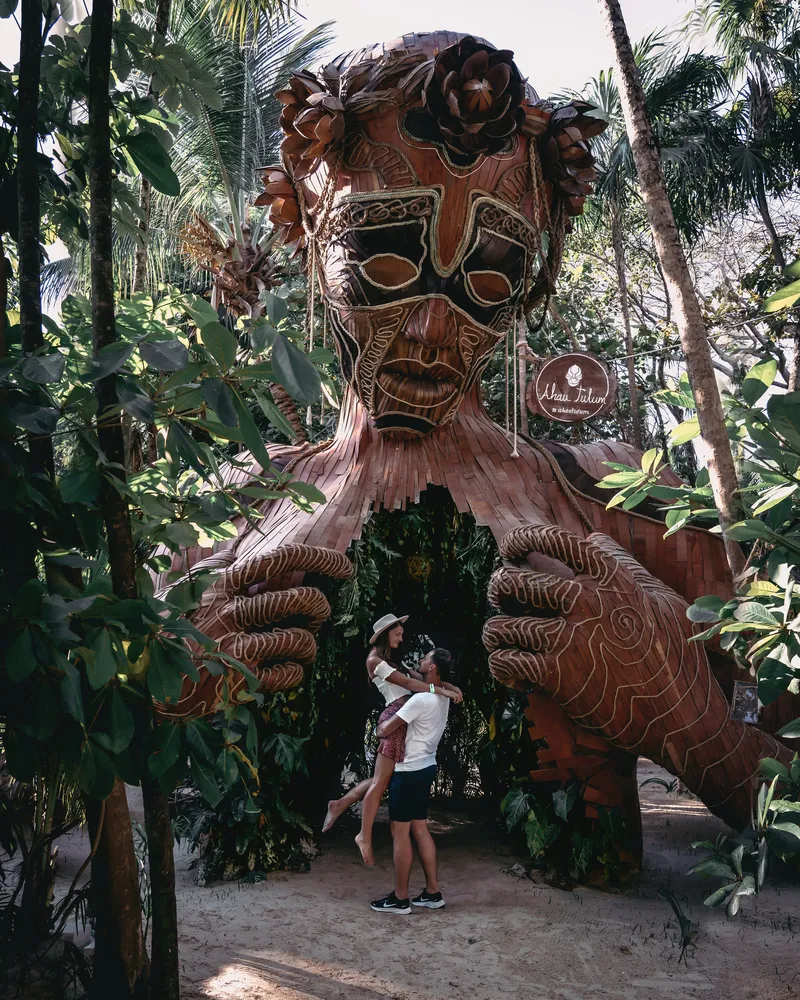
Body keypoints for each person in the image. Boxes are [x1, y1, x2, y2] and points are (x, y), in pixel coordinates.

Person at [323, 615, 462, 865]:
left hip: (402, 717)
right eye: (397, 633)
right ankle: (363, 836)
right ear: (386, 633)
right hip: (395, 717)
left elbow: (420, 680)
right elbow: (409, 683)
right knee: (379, 782)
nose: (401, 637)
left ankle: (339, 804)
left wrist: (449, 685)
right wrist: (442, 691)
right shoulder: (375, 662)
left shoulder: (390, 660)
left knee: (383, 780)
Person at [370, 647, 454, 914]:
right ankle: (432, 893)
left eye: (425, 659)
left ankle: (400, 898)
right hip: (427, 766)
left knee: (400, 832)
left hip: (408, 774)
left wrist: (378, 728)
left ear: (432, 667)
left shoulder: (419, 700)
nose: (420, 660)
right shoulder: (442, 698)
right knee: (420, 829)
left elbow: (386, 730)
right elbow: (412, 677)